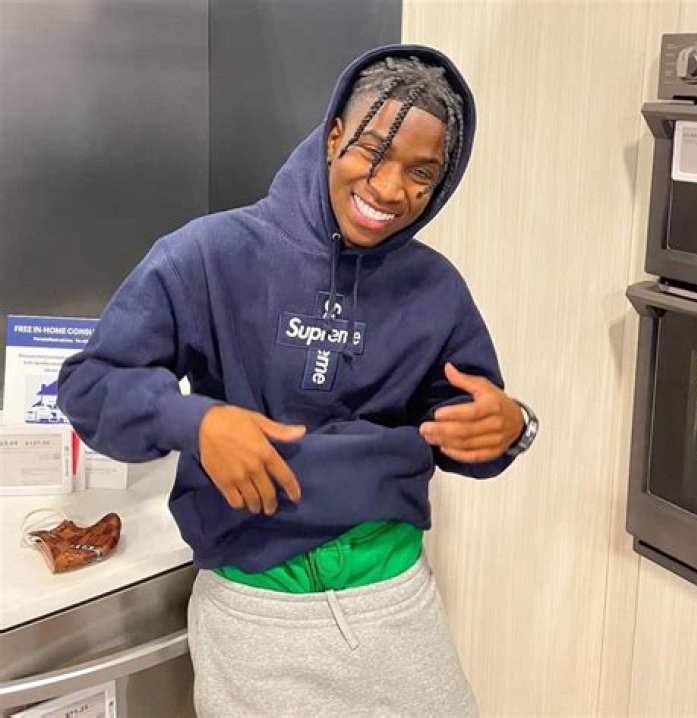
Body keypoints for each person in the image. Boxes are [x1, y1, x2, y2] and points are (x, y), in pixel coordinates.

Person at [58, 44, 538, 717]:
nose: (389, 189)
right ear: (334, 135)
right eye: (373, 151)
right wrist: (196, 421)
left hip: (397, 606)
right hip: (254, 615)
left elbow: (467, 435)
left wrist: (512, 427)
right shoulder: (209, 254)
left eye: (421, 172)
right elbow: (89, 386)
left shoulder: (436, 289)